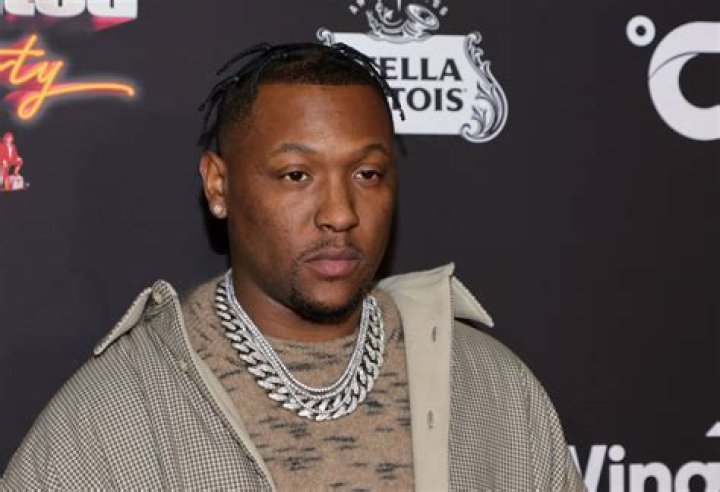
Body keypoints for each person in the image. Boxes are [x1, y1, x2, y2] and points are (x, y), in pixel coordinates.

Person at [1, 43, 584, 490]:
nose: (340, 213)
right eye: (296, 176)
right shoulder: (121, 408)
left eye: (367, 174)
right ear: (219, 185)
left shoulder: (490, 390)